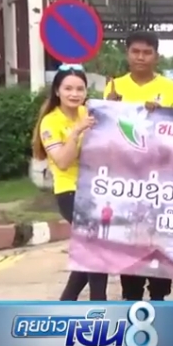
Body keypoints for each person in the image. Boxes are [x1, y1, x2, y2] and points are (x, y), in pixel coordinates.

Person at [104, 31, 173, 302]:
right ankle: (131, 299)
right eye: (136, 51)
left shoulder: (172, 90)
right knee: (130, 243)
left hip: (162, 182)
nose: (141, 57)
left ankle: (159, 299)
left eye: (147, 52)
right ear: (127, 54)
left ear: (156, 56)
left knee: (160, 243)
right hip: (126, 182)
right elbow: (106, 130)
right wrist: (110, 108)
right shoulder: (114, 88)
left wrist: (162, 116)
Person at [31, 64, 107, 301]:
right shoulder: (50, 122)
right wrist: (76, 132)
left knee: (91, 251)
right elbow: (63, 162)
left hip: (97, 190)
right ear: (57, 91)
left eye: (80, 89)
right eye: (68, 89)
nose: (74, 94)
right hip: (70, 192)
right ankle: (99, 305)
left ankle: (66, 303)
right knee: (96, 249)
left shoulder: (90, 112)